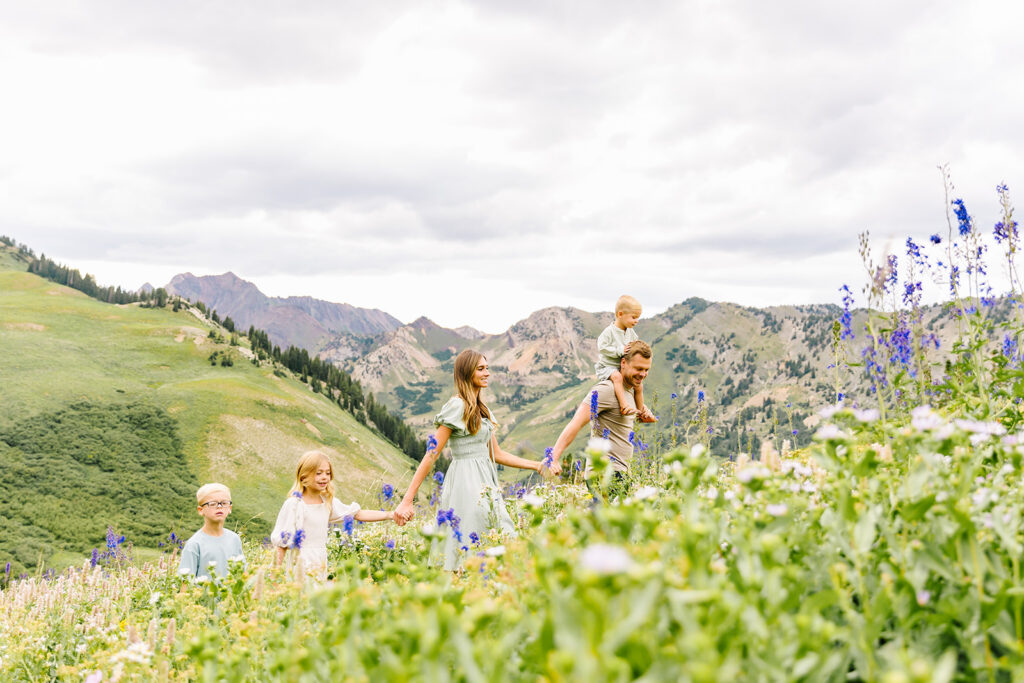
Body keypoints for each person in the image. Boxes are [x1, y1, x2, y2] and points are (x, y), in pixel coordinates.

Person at [394, 349, 560, 571]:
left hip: (486, 483)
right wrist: (407, 499)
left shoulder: (482, 410)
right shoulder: (456, 406)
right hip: (464, 482)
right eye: (481, 369)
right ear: (466, 372)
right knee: (474, 537)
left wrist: (538, 465)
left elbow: (497, 454)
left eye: (487, 368)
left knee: (499, 531)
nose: (487, 373)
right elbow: (431, 454)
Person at [271, 450, 398, 582]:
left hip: (320, 562)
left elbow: (358, 514)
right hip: (299, 564)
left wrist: (391, 515)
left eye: (328, 473)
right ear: (303, 477)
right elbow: (281, 545)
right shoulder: (294, 504)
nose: (325, 477)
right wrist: (273, 579)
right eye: (318, 473)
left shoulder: (327, 502)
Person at [551, 340, 653, 498]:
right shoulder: (606, 390)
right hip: (604, 473)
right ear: (624, 363)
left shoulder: (631, 391)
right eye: (639, 369)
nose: (643, 374)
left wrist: (643, 417)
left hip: (621, 473)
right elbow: (576, 423)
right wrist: (554, 457)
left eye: (646, 370)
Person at [596, 295, 656, 422]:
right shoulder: (609, 332)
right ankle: (624, 406)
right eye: (634, 317)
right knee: (617, 377)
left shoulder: (630, 332)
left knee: (639, 387)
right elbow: (602, 348)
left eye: (638, 318)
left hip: (621, 366)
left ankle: (640, 413)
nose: (636, 321)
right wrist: (619, 351)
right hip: (608, 367)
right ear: (620, 314)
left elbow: (635, 345)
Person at [178, 482, 245, 580]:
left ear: (229, 508)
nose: (219, 506)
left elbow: (243, 573)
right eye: (212, 504)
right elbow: (186, 584)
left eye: (224, 503)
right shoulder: (194, 544)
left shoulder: (234, 539)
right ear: (200, 510)